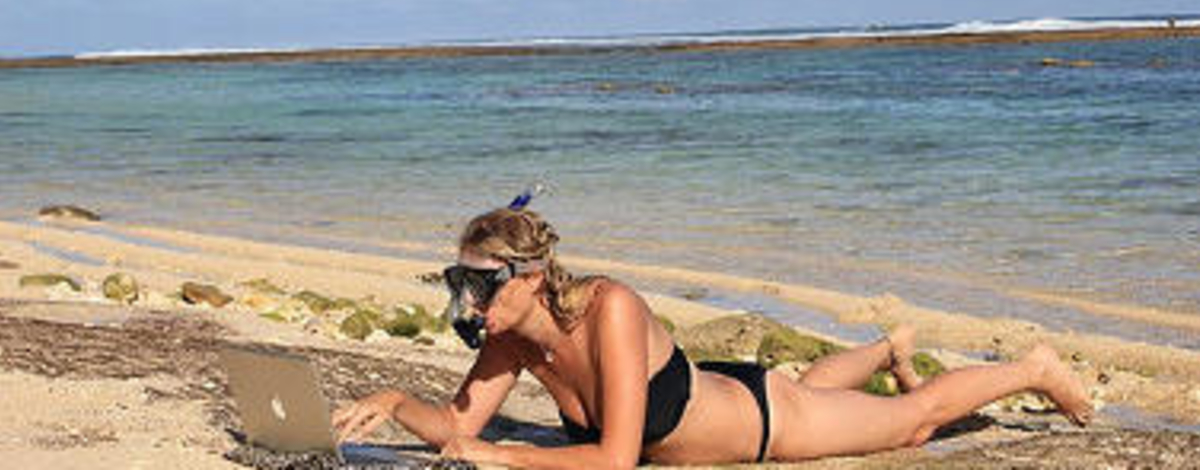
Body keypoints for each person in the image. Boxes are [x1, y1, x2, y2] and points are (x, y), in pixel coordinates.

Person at [333, 207, 1092, 468]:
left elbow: (617, 459)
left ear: (529, 277)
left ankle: (1031, 368)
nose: (466, 301)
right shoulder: (507, 344)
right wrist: (399, 401)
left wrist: (501, 453)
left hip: (764, 424)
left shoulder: (611, 310)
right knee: (811, 384)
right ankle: (885, 349)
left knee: (914, 425)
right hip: (722, 395)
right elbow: (456, 431)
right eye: (457, 283)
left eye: (480, 284)